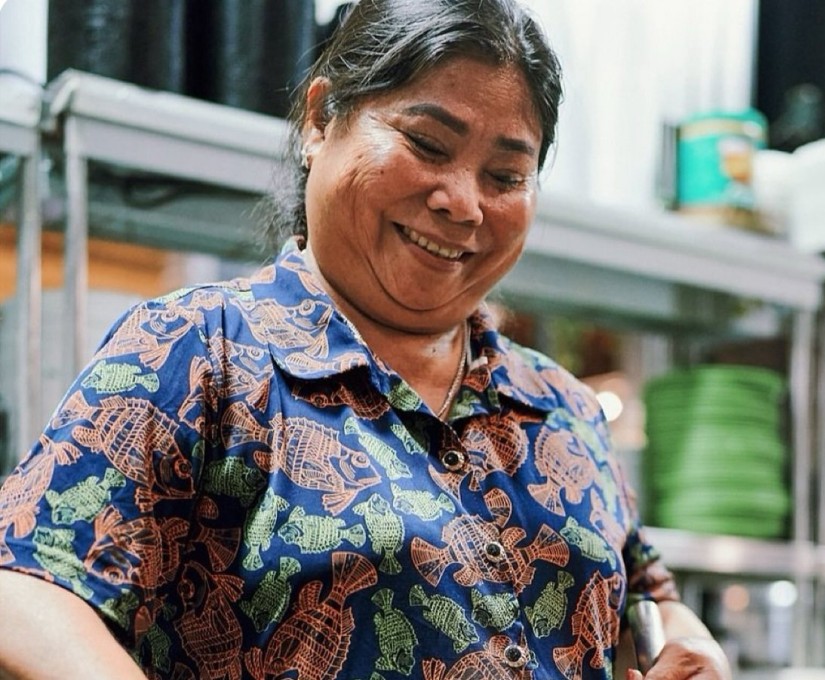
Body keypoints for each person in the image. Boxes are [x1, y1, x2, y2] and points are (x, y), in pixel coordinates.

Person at [0, 0, 731, 678]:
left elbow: (648, 597)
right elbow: (26, 591)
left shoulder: (563, 407)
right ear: (321, 120)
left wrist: (689, 642)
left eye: (506, 174)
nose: (464, 203)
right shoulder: (197, 351)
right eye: (427, 144)